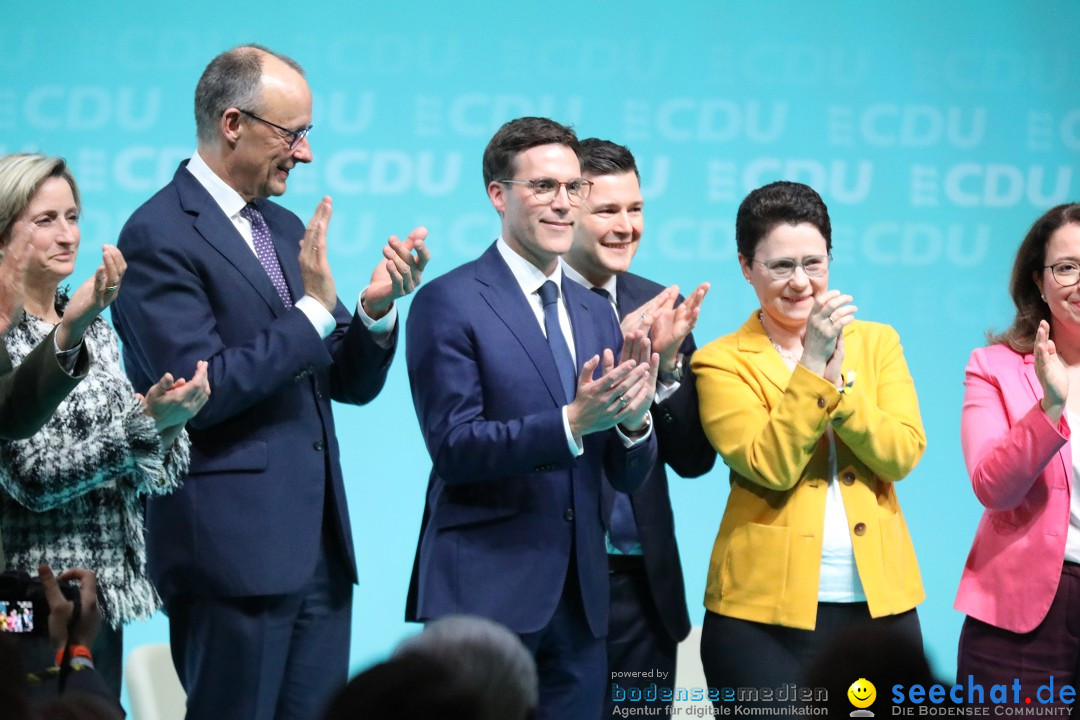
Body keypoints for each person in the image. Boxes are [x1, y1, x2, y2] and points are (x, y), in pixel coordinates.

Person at [110, 44, 430, 720]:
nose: (306, 154)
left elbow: (345, 378)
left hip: (317, 551)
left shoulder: (281, 227)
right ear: (233, 124)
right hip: (232, 557)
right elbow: (200, 393)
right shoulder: (157, 235)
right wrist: (314, 311)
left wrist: (372, 313)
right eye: (294, 134)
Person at [405, 116, 658, 720]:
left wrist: (633, 421)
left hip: (581, 602)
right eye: (543, 187)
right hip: (484, 596)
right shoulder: (449, 300)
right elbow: (456, 448)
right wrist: (572, 422)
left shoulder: (598, 312)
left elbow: (624, 473)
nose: (562, 203)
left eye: (573, 188)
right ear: (499, 194)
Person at [691, 181, 926, 707]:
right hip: (759, 619)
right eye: (780, 266)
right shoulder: (721, 361)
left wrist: (841, 391)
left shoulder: (878, 342)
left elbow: (902, 452)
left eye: (814, 263)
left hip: (878, 604)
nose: (801, 282)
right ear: (746, 267)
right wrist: (816, 370)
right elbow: (768, 464)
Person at [0, 153, 209, 697]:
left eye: (72, 216)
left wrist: (165, 422)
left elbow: (140, 473)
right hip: (22, 603)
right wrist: (134, 431)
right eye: (45, 221)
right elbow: (31, 478)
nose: (67, 235)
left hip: (100, 599)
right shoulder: (6, 338)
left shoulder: (96, 328)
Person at [559, 138, 713, 715]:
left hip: (641, 589)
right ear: (566, 210)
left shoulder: (660, 306)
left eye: (636, 209)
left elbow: (693, 460)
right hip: (555, 578)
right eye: (608, 210)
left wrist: (667, 369)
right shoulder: (526, 303)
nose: (626, 227)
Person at [954, 203, 1080, 710]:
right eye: (1067, 267)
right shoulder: (994, 367)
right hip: (1024, 619)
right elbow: (993, 487)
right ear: (1039, 279)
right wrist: (1050, 406)